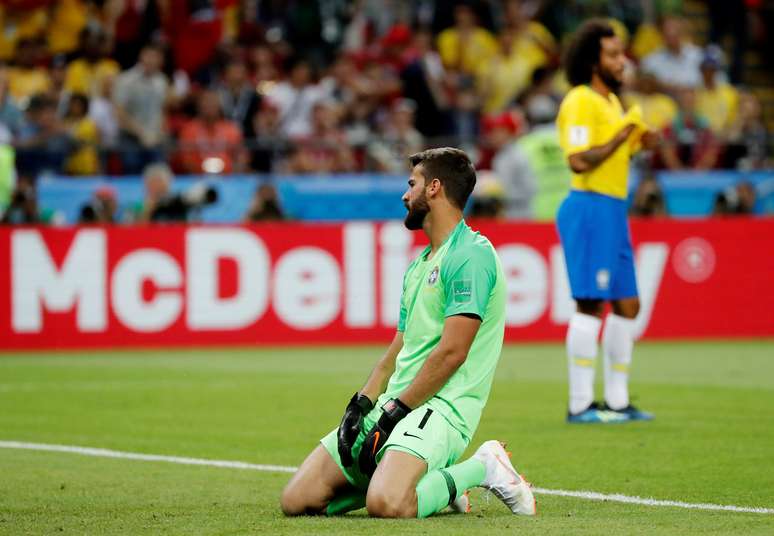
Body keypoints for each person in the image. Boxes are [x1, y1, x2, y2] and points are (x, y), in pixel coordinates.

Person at [280, 148, 536, 519]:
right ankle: (427, 483)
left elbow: (453, 352)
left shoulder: (470, 255)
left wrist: (396, 411)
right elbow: (399, 346)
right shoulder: (420, 265)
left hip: (441, 408)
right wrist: (362, 403)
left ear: (434, 188)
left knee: (388, 504)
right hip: (397, 404)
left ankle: (483, 466)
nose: (404, 195)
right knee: (297, 500)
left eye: (411, 184)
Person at [555, 19, 658, 424]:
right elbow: (579, 159)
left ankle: (617, 402)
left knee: (629, 304)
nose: (622, 61)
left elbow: (616, 155)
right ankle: (581, 403)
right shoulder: (580, 100)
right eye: (613, 54)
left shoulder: (612, 103)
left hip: (613, 207)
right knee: (591, 302)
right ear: (592, 61)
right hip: (589, 205)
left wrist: (638, 143)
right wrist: (623, 135)